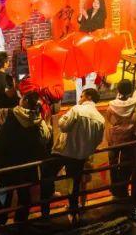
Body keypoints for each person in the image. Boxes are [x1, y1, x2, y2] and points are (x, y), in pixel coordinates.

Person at [0, 86, 51, 228]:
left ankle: (0, 223)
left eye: (22, 98)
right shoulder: (39, 119)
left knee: (4, 195)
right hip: (27, 166)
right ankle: (21, 221)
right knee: (24, 195)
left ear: (25, 101)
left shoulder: (10, 114)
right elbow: (46, 138)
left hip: (7, 165)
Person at [43, 88, 105, 226]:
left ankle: (45, 212)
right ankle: (73, 213)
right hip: (79, 157)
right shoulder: (100, 118)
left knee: (47, 176)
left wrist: (64, 117)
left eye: (82, 96)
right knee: (73, 185)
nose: (80, 98)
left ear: (88, 97)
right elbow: (98, 141)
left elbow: (63, 126)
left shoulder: (77, 110)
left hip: (63, 152)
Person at [104, 79, 136, 198]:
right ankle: (123, 189)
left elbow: (109, 120)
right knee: (126, 164)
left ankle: (115, 189)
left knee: (113, 163)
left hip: (114, 138)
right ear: (131, 90)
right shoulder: (135, 103)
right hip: (129, 137)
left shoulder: (112, 105)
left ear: (118, 90)